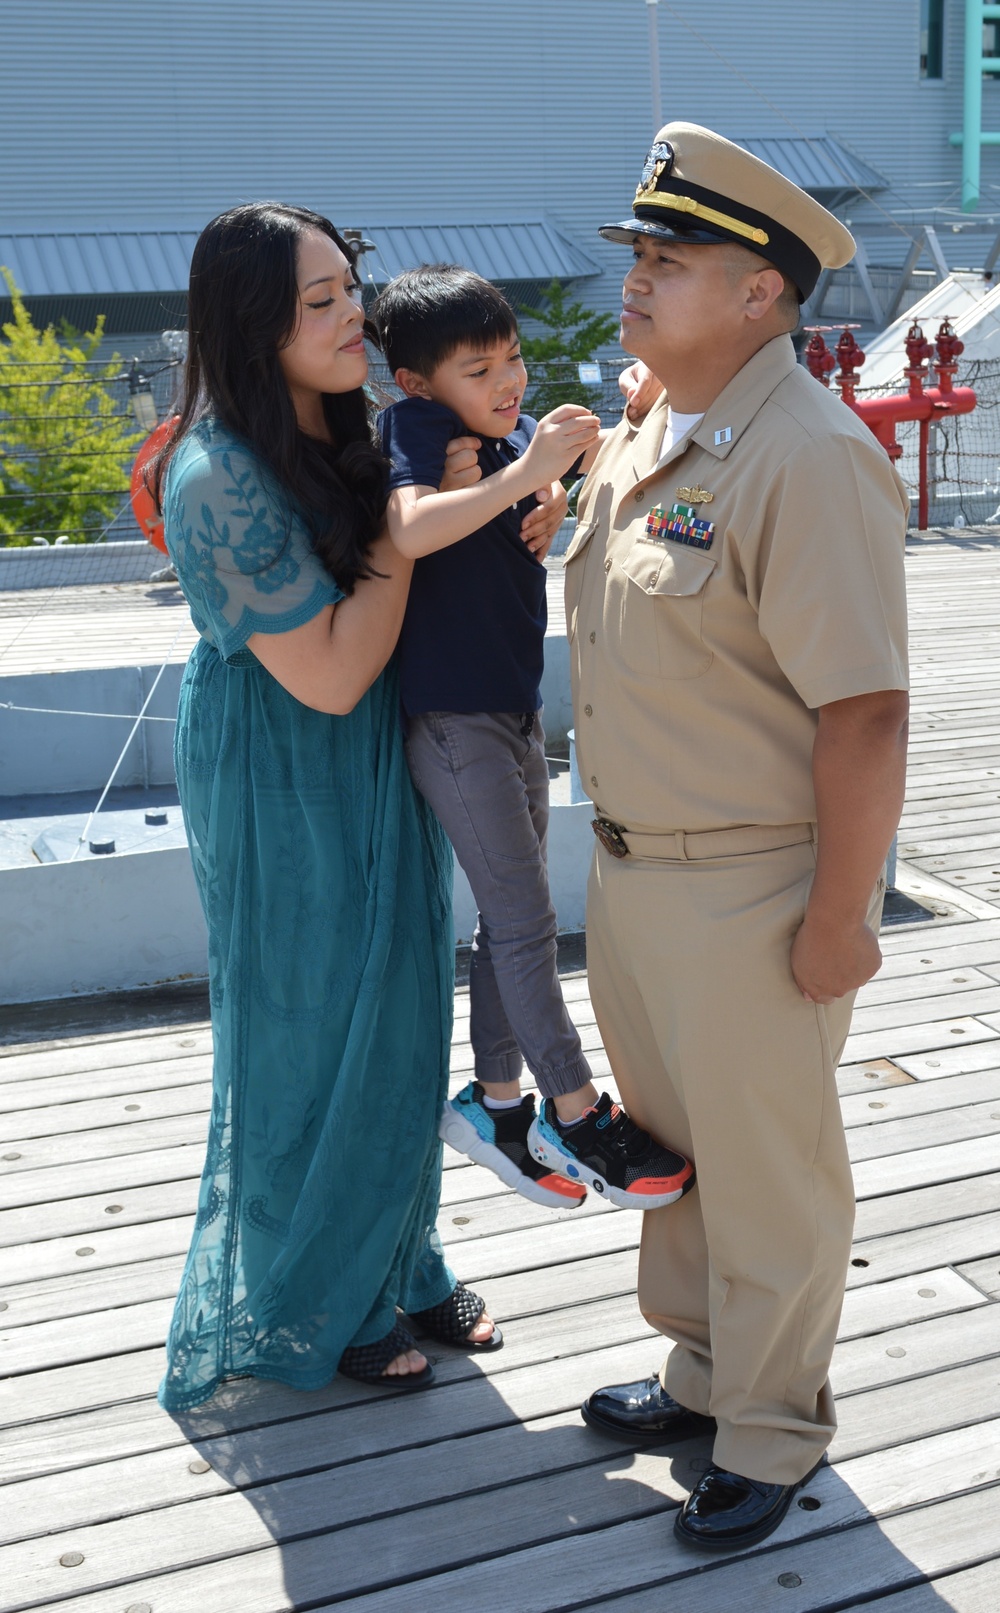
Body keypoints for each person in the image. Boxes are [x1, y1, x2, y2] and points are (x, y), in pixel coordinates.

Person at [567, 125, 909, 1550]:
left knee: (770, 1174)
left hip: (754, 888)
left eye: (671, 260)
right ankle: (705, 1375)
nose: (636, 281)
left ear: (762, 293)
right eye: (639, 256)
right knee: (681, 1156)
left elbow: (867, 714)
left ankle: (771, 1429)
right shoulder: (660, 424)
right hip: (640, 874)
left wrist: (842, 918)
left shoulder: (808, 457)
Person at [153, 203, 504, 1409]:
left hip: (375, 755)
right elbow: (335, 664)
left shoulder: (352, 423)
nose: (353, 311)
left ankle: (402, 1257)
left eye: (347, 287)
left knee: (403, 1012)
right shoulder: (216, 473)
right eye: (319, 301)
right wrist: (408, 522)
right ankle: (316, 1289)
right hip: (282, 767)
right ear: (253, 323)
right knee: (305, 1030)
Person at [371, 265, 695, 1215]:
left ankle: (498, 1100)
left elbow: (499, 534)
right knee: (525, 923)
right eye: (480, 368)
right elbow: (411, 527)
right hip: (452, 716)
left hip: (509, 710)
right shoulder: (418, 432)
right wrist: (526, 474)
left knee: (508, 921)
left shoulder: (496, 437)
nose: (508, 381)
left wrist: (544, 509)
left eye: (511, 357)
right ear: (417, 383)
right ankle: (576, 1107)